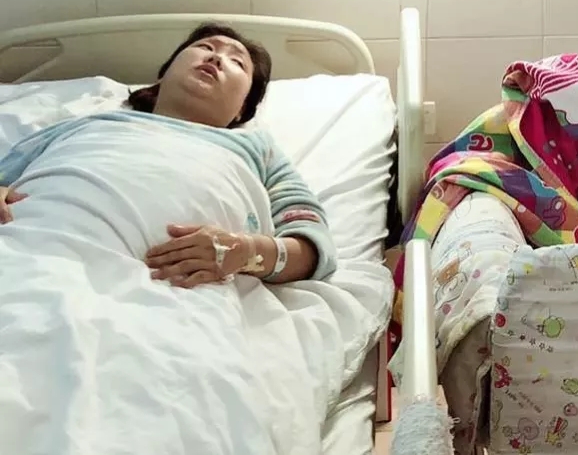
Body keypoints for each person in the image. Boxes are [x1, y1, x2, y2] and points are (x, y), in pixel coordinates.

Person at [0, 21, 337, 285]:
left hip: (168, 289)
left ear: (242, 108)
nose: (216, 57)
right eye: (205, 47)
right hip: (27, 256)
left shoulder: (256, 149)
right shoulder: (90, 124)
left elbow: (312, 246)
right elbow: (6, 173)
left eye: (237, 62)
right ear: (162, 76)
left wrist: (245, 252)